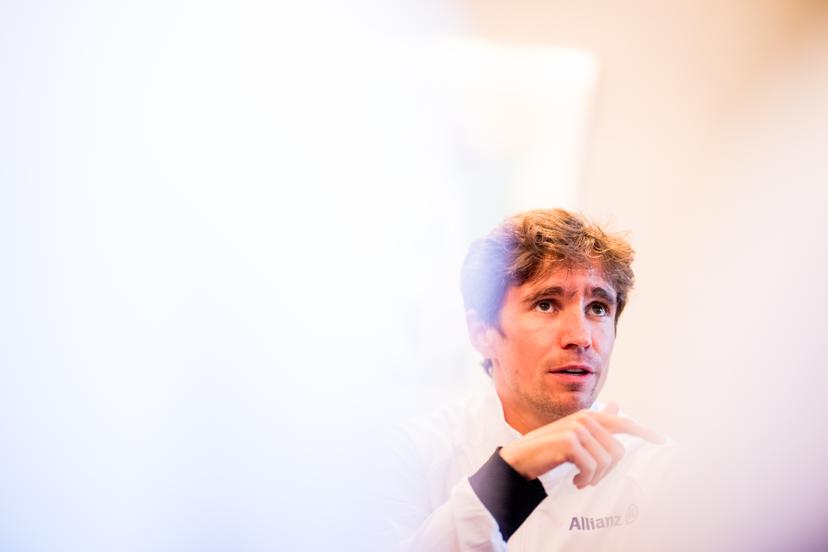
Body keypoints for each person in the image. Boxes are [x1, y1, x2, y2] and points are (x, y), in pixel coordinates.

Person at [380, 208, 677, 552]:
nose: (581, 337)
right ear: (482, 332)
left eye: (597, 308)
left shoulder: (657, 472)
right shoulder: (414, 456)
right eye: (546, 304)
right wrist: (510, 473)